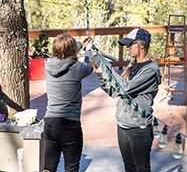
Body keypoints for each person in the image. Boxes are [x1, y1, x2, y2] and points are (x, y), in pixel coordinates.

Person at [91, 28, 162, 172]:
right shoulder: (132, 65)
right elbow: (114, 91)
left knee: (141, 168)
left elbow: (125, 88)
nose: (127, 48)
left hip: (139, 128)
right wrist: (100, 73)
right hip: (122, 124)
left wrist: (105, 66)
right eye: (126, 45)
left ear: (142, 44)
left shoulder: (151, 70)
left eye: (130, 44)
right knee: (129, 168)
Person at [42, 33, 93, 172]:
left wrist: (79, 44)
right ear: (72, 50)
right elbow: (89, 67)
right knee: (71, 167)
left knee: (48, 166)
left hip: (50, 123)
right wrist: (87, 52)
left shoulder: (47, 65)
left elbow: (64, 52)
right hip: (70, 125)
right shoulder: (78, 68)